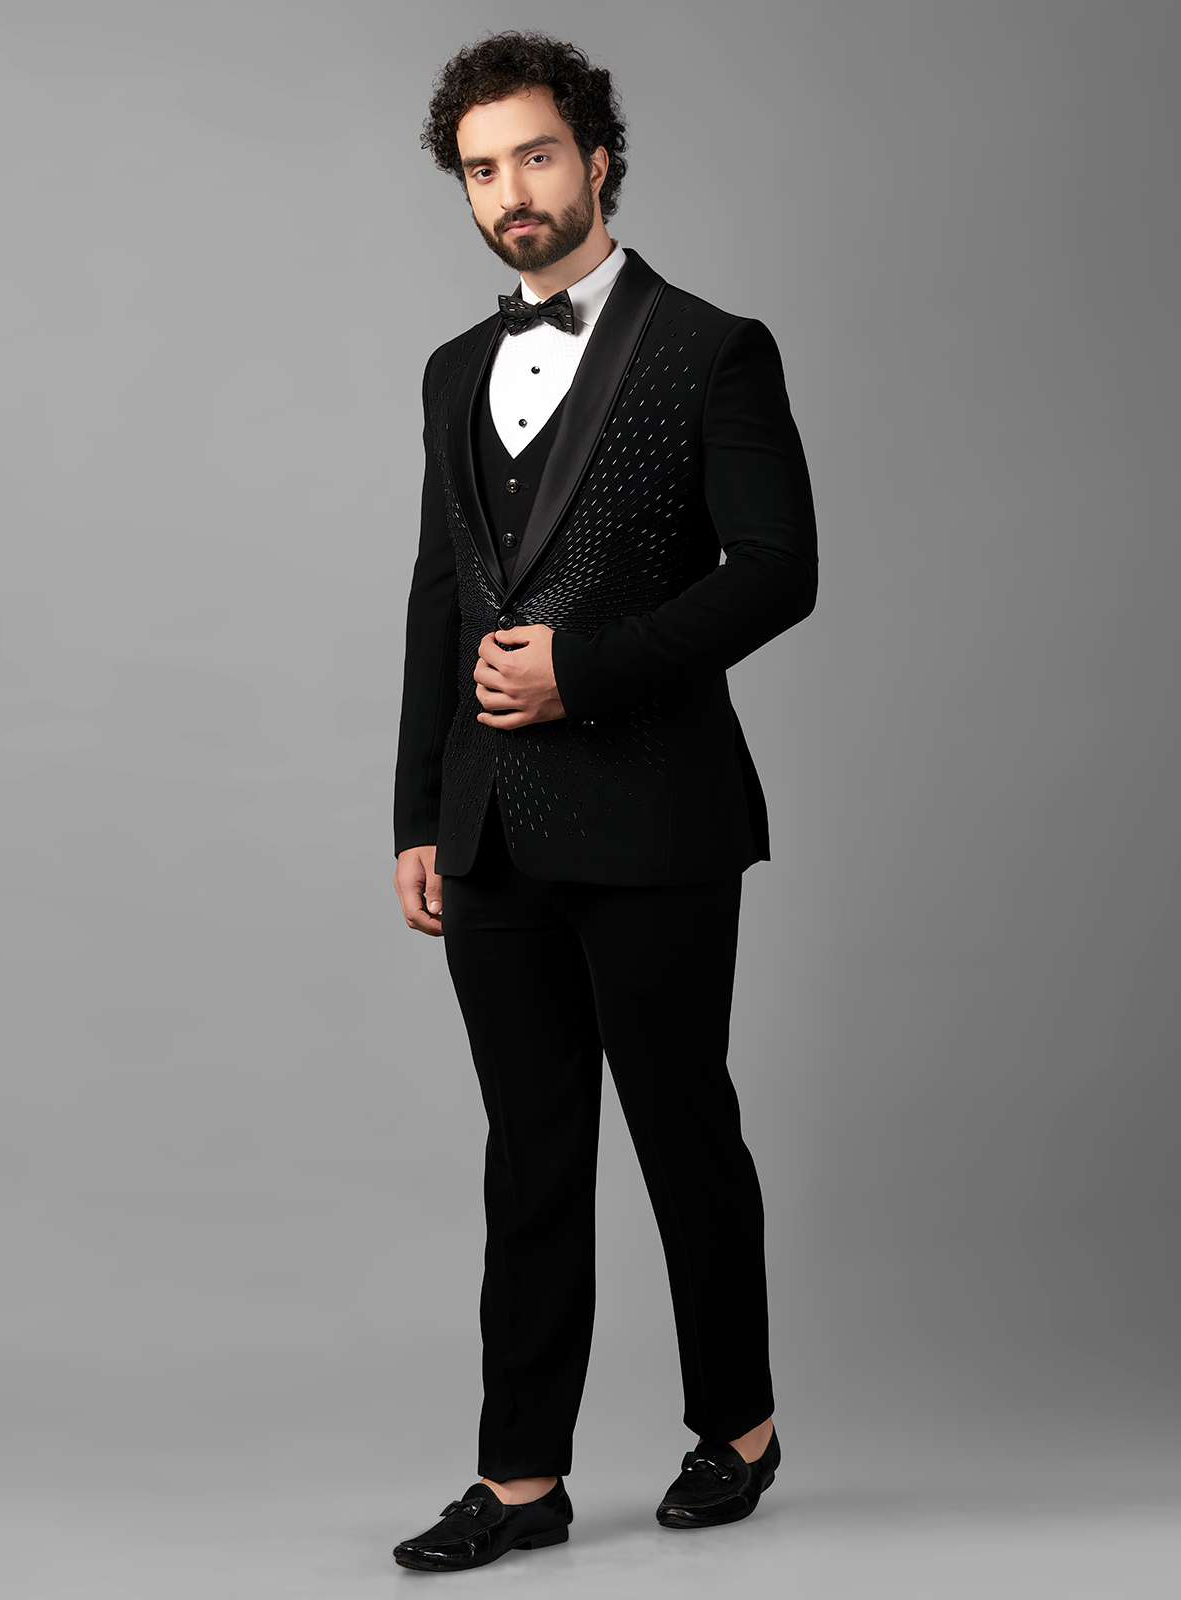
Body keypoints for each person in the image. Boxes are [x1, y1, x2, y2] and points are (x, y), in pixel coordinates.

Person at [390, 30, 817, 1573]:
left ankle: (738, 1426)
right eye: (481, 169)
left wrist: (588, 670)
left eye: (536, 156)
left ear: (599, 161)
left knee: (682, 1128)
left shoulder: (713, 348)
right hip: (489, 824)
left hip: (655, 813)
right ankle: (521, 1479)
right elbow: (441, 591)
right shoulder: (452, 369)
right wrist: (415, 810)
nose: (511, 191)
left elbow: (780, 571)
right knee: (529, 1153)